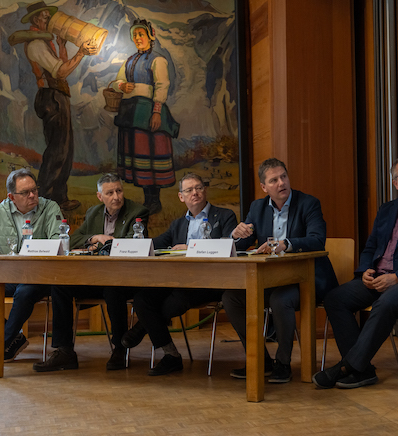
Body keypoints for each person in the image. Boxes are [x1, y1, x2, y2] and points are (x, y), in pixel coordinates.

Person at [312, 157, 398, 389]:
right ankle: (363, 369)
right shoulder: (387, 210)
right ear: (395, 183)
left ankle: (348, 367)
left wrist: (397, 277)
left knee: (386, 302)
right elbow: (371, 247)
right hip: (380, 277)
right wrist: (366, 270)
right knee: (335, 299)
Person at [222, 158, 337, 383]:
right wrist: (235, 236)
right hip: (272, 279)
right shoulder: (257, 207)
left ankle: (283, 362)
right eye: (274, 180)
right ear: (264, 187)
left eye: (283, 176)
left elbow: (317, 240)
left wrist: (287, 243)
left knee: (280, 299)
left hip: (306, 280)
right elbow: (244, 243)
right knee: (231, 298)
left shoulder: (308, 203)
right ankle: (261, 360)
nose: (281, 183)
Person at [122, 172, 237, 376]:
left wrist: (191, 247)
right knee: (142, 298)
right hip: (178, 280)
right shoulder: (178, 224)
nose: (195, 193)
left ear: (205, 190)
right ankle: (171, 355)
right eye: (189, 190)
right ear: (181, 197)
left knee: (176, 300)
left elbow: (229, 245)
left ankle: (141, 328)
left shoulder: (225, 216)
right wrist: (124, 244)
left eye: (198, 188)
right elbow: (156, 243)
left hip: (212, 282)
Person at [31, 176, 149, 373]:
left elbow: (131, 244)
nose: (116, 197)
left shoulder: (138, 212)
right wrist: (95, 237)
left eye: (119, 191)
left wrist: (102, 245)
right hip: (96, 277)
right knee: (60, 285)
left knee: (113, 289)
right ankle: (65, 351)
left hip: (125, 279)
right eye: (110, 193)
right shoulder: (93, 212)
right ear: (100, 196)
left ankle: (120, 347)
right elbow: (74, 239)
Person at [0, 168, 61, 365]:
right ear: (11, 197)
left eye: (34, 190)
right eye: (25, 192)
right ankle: (14, 338)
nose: (32, 195)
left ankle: (0, 344)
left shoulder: (50, 208)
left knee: (24, 293)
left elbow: (58, 243)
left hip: (40, 277)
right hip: (11, 275)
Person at [19, 0, 96, 212]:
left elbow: (62, 66)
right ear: (36, 19)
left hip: (58, 96)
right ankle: (45, 200)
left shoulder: (45, 42)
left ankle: (59, 198)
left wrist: (62, 46)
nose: (49, 20)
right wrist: (80, 53)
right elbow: (60, 72)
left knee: (65, 150)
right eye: (45, 17)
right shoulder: (36, 44)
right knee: (57, 151)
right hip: (51, 97)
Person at [108, 18, 179, 215]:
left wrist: (156, 112)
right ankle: (148, 200)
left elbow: (162, 86)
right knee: (137, 155)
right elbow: (116, 81)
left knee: (150, 155)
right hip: (131, 112)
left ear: (150, 36)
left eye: (141, 34)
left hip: (148, 112)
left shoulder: (158, 60)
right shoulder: (130, 60)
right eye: (135, 35)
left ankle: (154, 201)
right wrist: (122, 85)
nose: (138, 38)